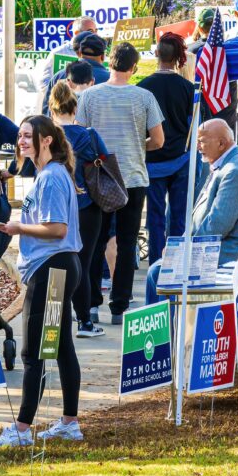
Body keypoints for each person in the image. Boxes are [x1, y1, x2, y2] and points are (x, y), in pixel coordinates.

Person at [0, 115, 83, 448]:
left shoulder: (52, 177)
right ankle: (69, 422)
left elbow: (58, 229)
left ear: (47, 140)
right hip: (56, 267)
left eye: (29, 136)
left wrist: (17, 228)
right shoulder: (46, 175)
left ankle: (22, 429)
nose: (22, 142)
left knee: (33, 352)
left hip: (53, 269)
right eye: (20, 136)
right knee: (59, 346)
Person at [77, 42, 165, 324]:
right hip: (132, 177)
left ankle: (90, 303)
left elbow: (80, 137)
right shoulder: (145, 97)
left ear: (110, 63)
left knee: (94, 242)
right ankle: (120, 305)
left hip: (99, 176)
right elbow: (159, 140)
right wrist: (138, 145)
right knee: (127, 243)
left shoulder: (89, 96)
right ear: (134, 67)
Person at [145, 119, 238, 304]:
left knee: (158, 273)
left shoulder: (234, 170)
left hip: (228, 256)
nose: (197, 146)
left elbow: (217, 225)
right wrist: (181, 242)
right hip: (214, 251)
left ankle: (170, 332)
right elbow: (200, 218)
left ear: (221, 143)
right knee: (158, 270)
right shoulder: (225, 163)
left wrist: (182, 249)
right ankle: (170, 328)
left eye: (202, 141)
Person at [48, 80, 110, 338]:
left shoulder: (47, 138)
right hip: (86, 205)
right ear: (75, 109)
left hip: (53, 206)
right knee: (82, 263)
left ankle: (53, 323)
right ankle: (85, 321)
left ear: (52, 110)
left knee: (54, 263)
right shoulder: (88, 135)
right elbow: (104, 159)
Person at [138, 32, 196, 265]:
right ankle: (176, 264)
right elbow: (195, 123)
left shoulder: (143, 88)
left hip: (151, 158)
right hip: (181, 157)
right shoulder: (187, 88)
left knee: (155, 216)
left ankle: (155, 264)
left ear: (156, 55)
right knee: (179, 217)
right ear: (179, 58)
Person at [41, 31, 111, 116]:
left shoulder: (58, 76)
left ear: (79, 53)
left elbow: (46, 113)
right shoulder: (110, 79)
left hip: (60, 127)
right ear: (103, 56)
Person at [38, 15, 99, 94]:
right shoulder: (58, 53)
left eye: (96, 31)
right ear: (77, 33)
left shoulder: (98, 53)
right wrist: (62, 99)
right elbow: (44, 83)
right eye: (90, 31)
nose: (95, 35)